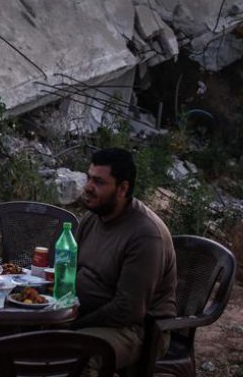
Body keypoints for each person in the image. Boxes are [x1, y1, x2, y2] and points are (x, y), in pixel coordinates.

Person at [71, 148, 177, 373]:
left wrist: (73, 325)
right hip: (86, 315)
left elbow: (127, 310)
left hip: (137, 330)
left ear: (122, 188)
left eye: (99, 182)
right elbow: (68, 270)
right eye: (89, 177)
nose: (88, 187)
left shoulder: (145, 235)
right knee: (22, 332)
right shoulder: (92, 218)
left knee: (79, 354)